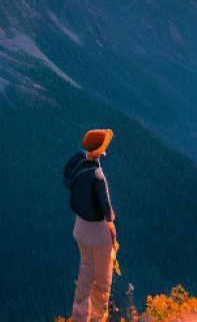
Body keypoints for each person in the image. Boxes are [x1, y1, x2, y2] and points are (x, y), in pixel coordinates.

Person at [63, 129, 117, 322]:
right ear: (100, 149)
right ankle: (97, 318)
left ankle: (78, 317)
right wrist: (110, 218)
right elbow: (106, 209)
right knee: (102, 279)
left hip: (80, 227)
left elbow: (67, 181)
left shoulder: (78, 162)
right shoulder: (97, 174)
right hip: (97, 232)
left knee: (86, 270)